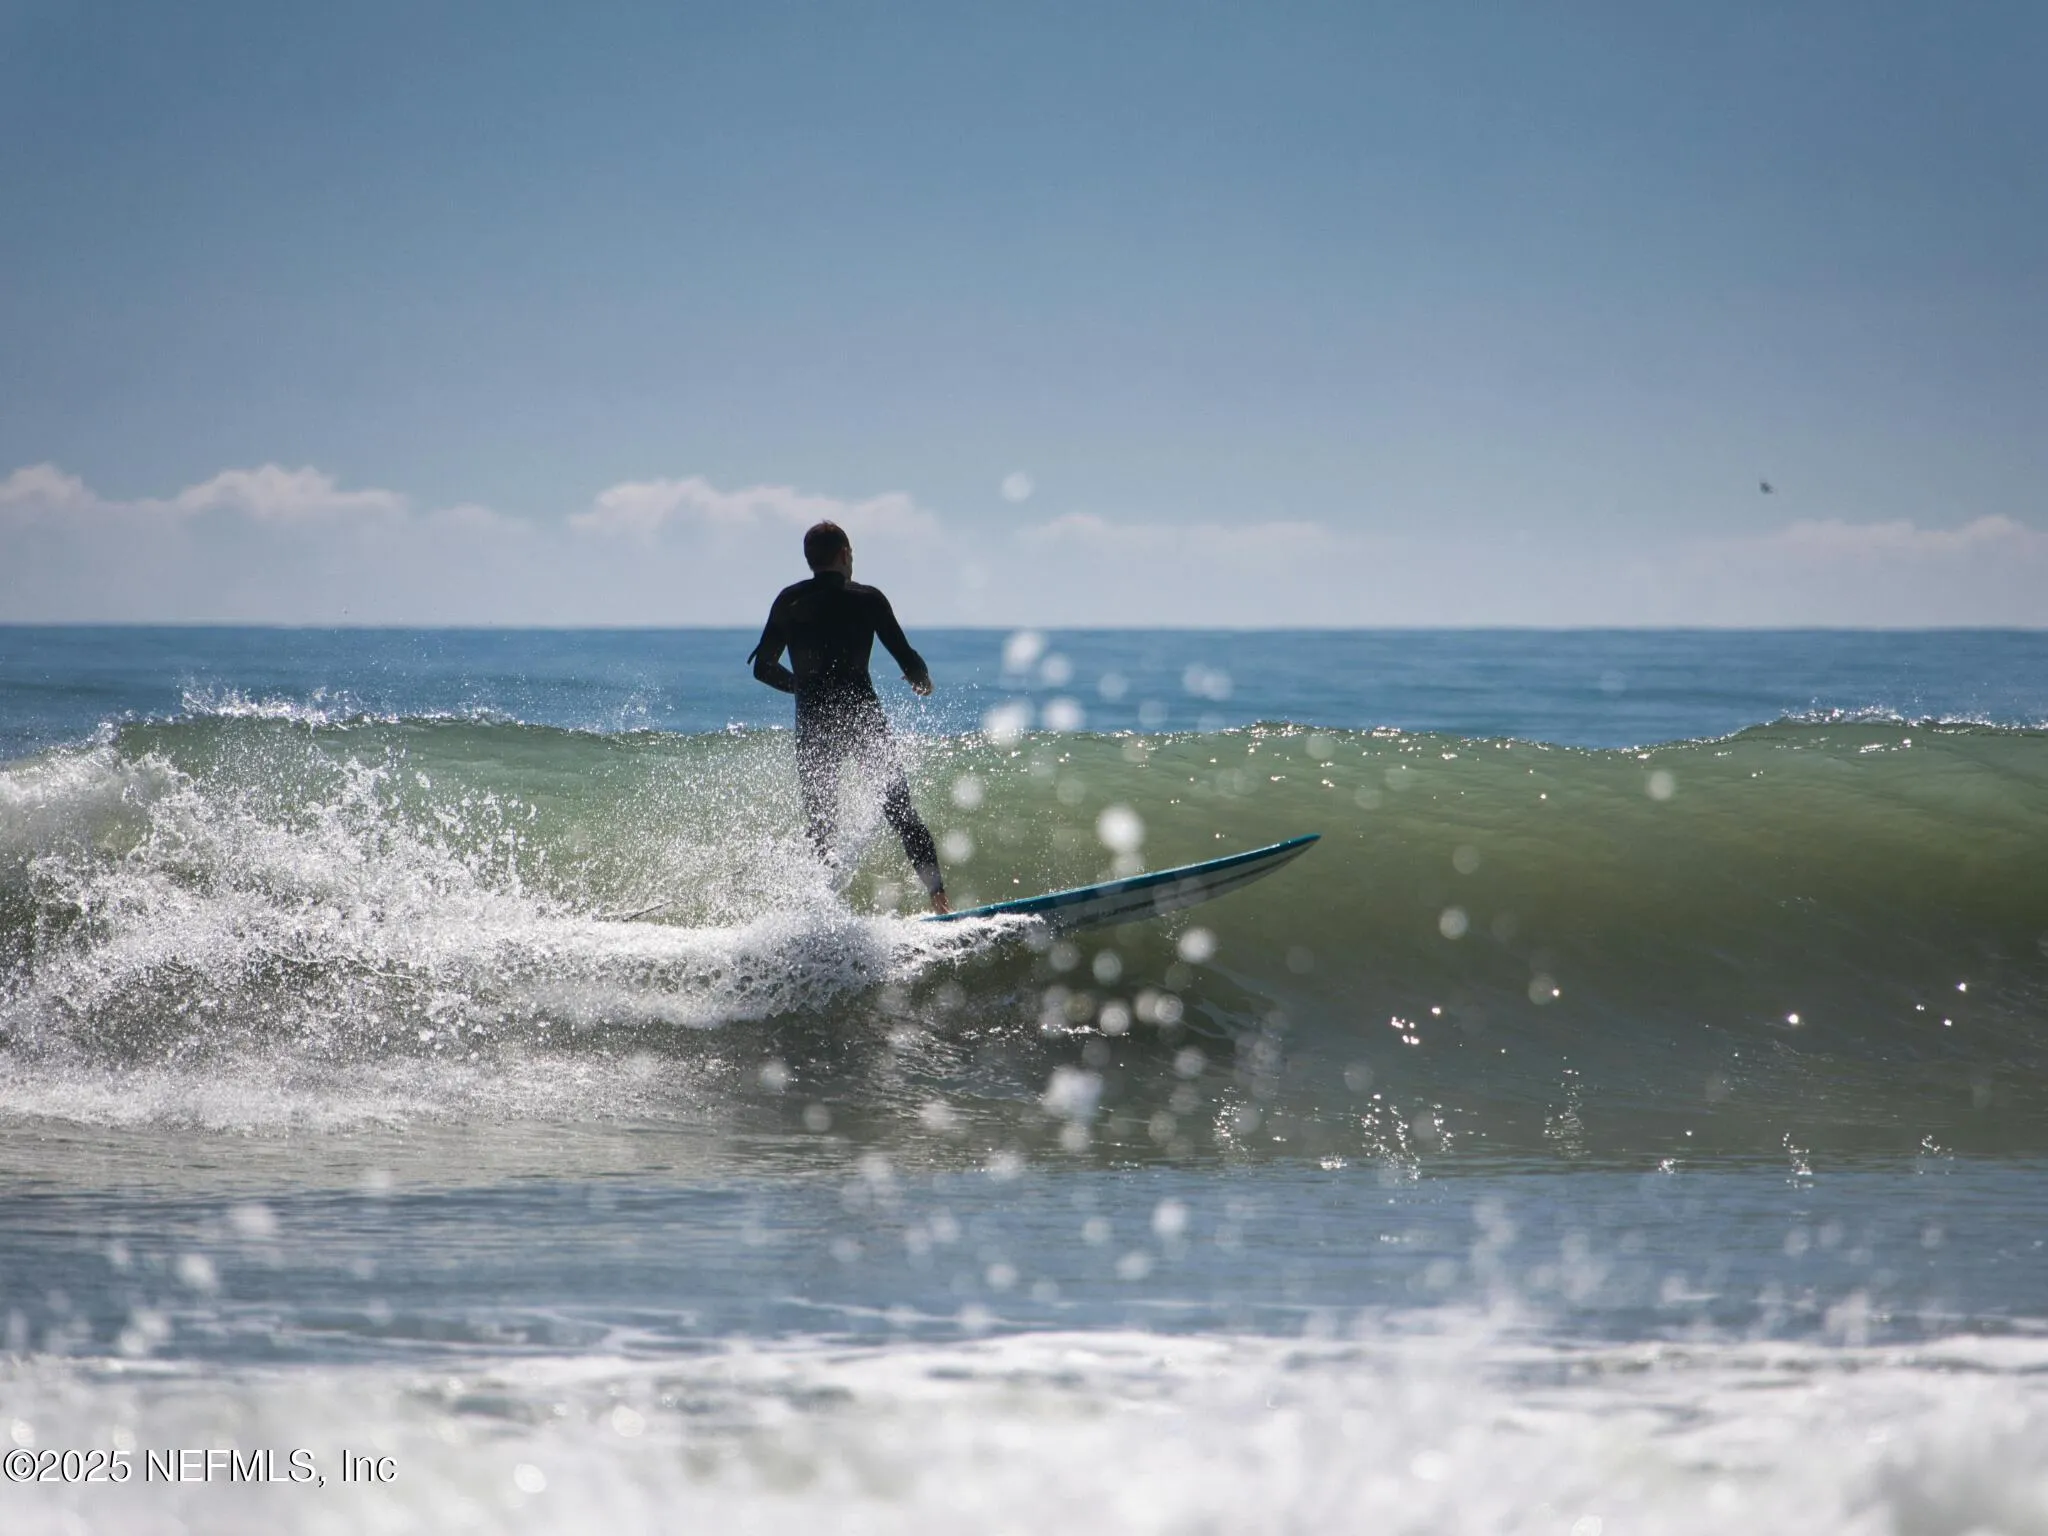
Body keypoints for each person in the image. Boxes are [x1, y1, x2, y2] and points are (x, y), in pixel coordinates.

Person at [747, 521, 950, 914]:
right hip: (862, 718)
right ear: (844, 555)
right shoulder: (867, 599)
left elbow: (763, 668)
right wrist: (921, 680)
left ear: (811, 559)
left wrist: (802, 688)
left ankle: (819, 913)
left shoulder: (788, 600)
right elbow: (906, 656)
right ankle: (940, 901)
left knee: (822, 824)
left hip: (814, 722)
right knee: (900, 810)